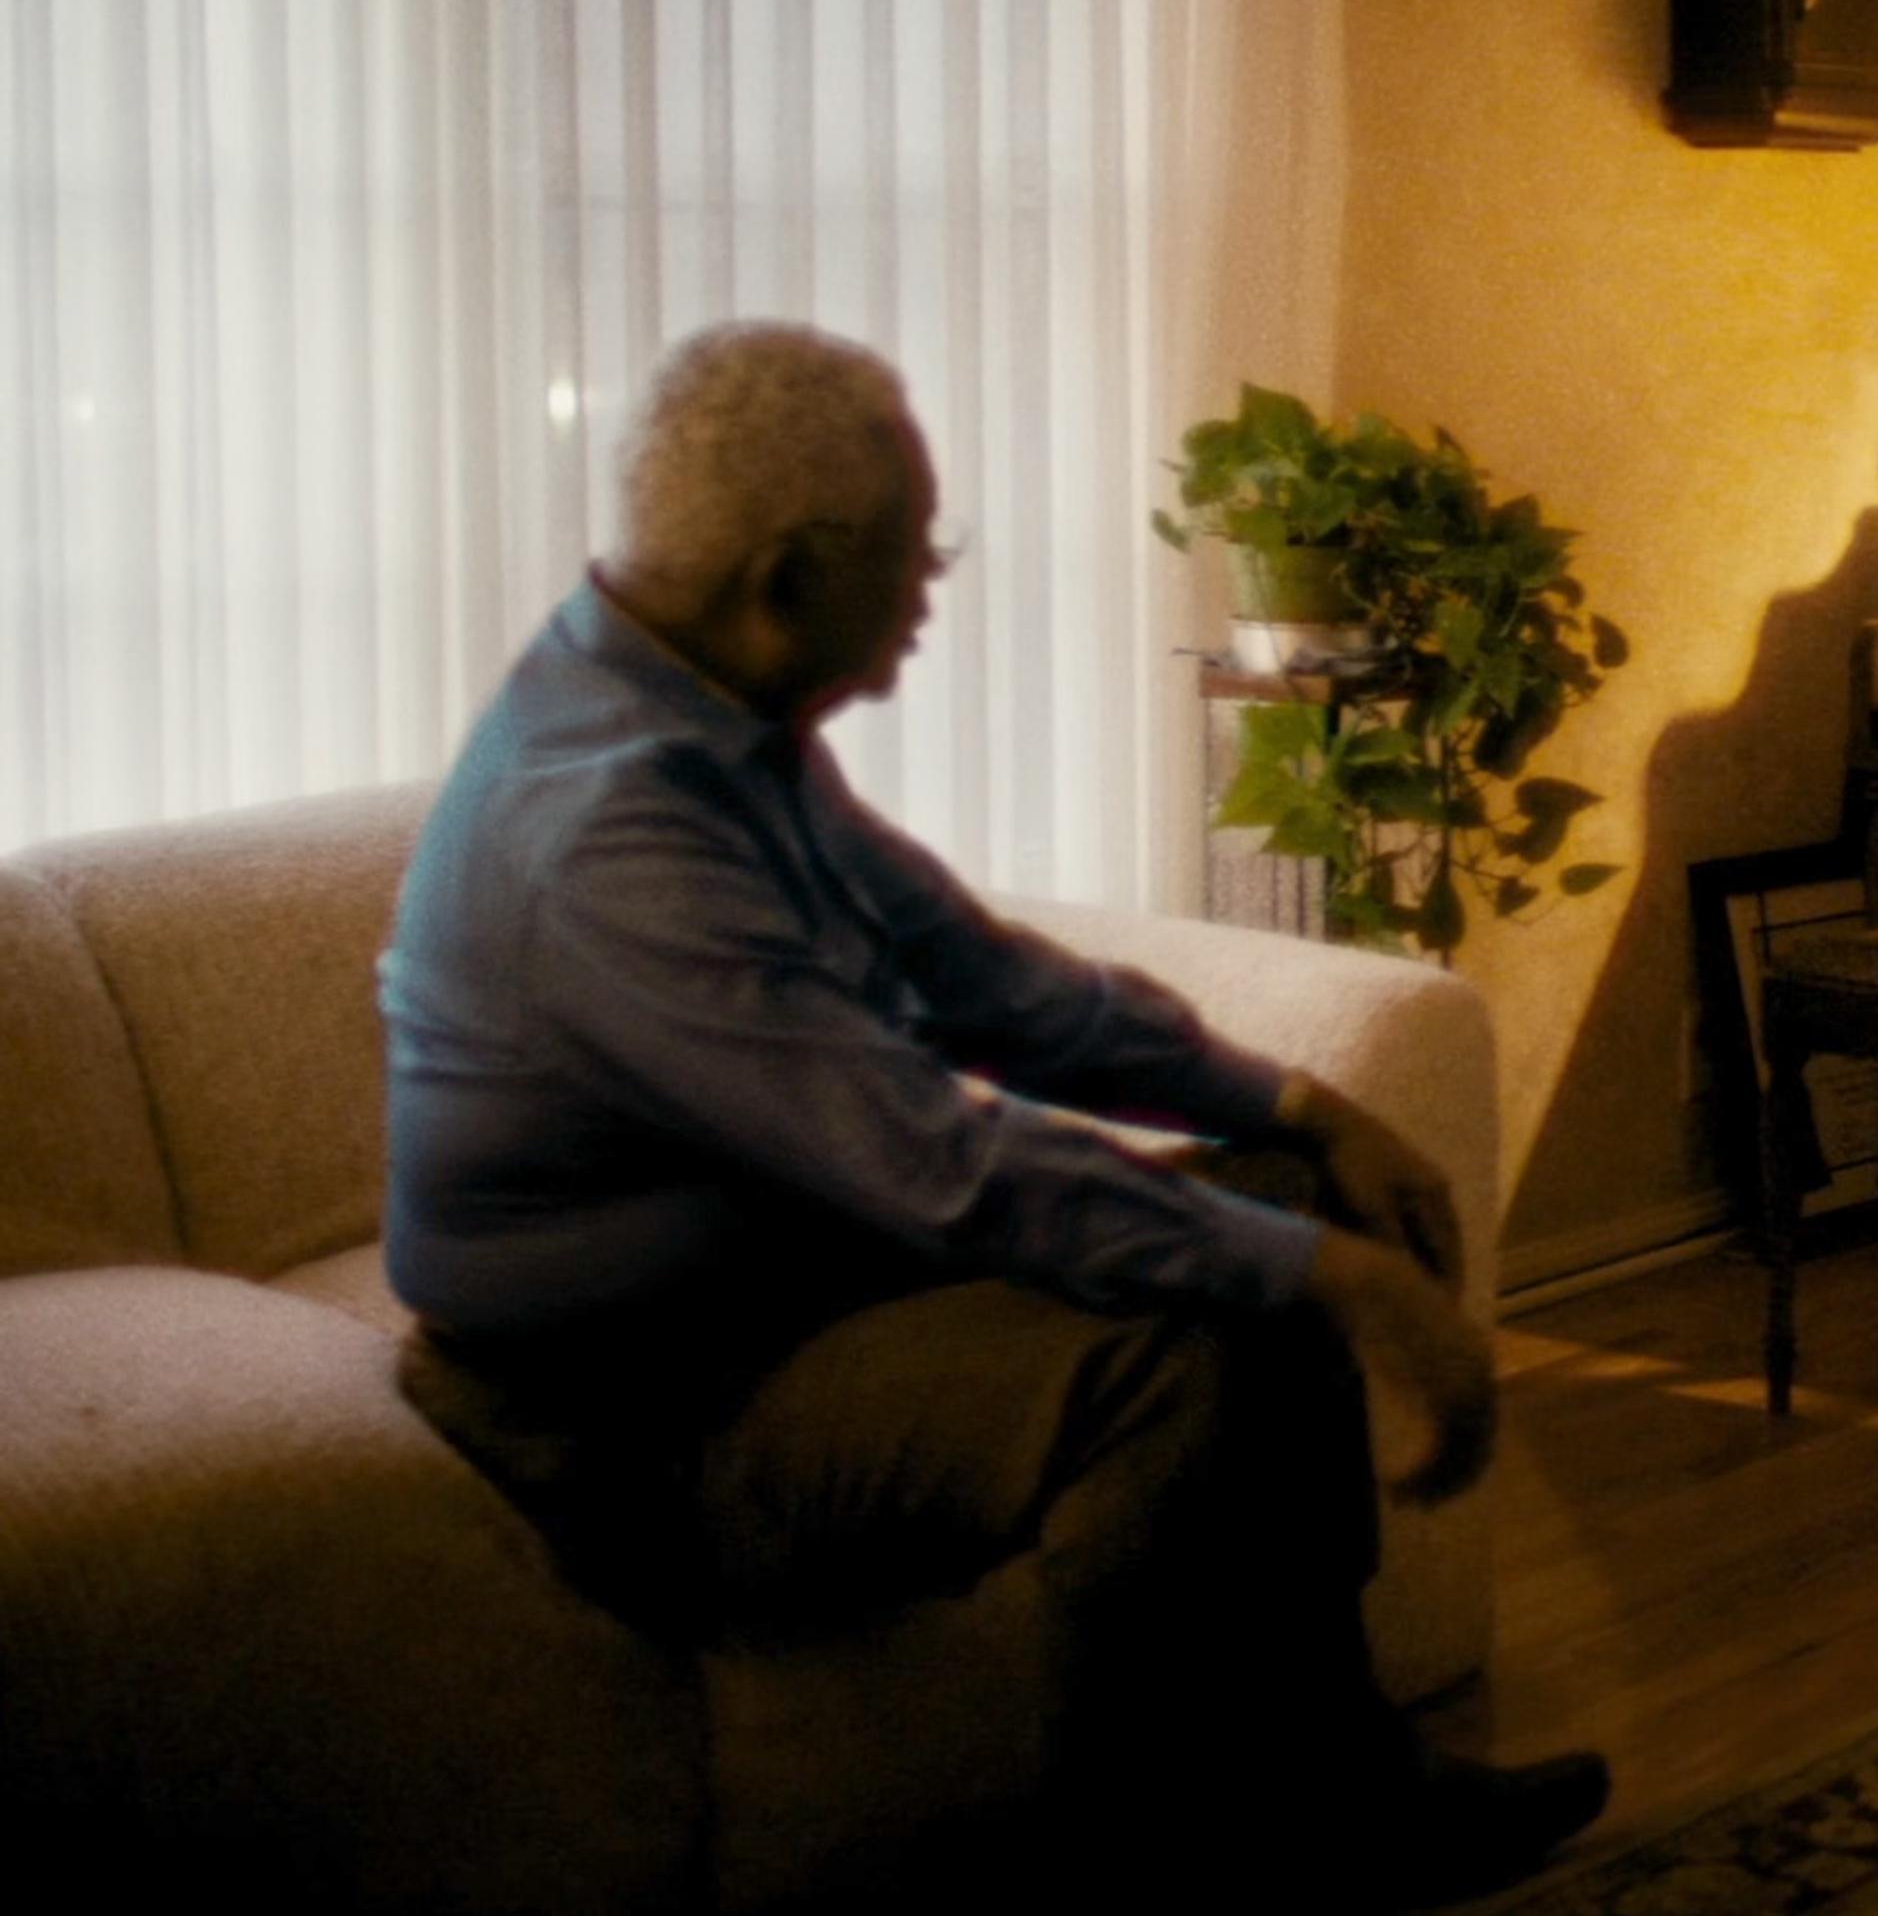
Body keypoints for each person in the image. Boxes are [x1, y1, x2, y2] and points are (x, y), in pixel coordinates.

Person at [378, 320, 1603, 1903]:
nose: (930, 599)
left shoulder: (708, 728)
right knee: (1180, 1358)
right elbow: (930, 1162)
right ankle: (1151, 1857)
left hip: (783, 1301)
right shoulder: (615, 833)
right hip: (632, 1413)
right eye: (915, 560)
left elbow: (982, 979)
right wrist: (1340, 1283)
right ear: (788, 579)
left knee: (1265, 1211)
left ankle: (1335, 1788)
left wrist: (1298, 1109)